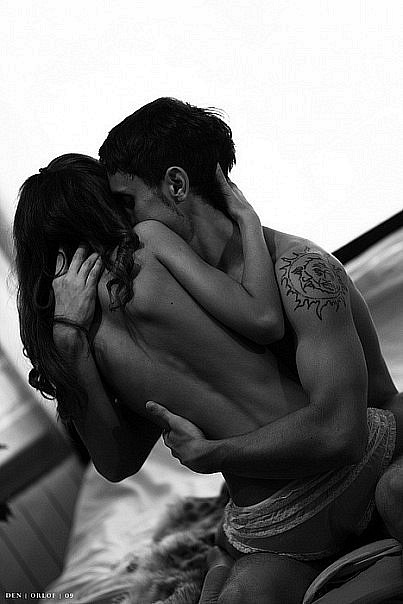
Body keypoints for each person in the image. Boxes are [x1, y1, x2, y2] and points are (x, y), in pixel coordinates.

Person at [13, 98, 403, 603]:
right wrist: (247, 222)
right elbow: (262, 319)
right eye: (118, 206)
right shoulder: (152, 246)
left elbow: (117, 462)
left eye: (127, 201)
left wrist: (69, 342)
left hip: (283, 508)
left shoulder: (297, 266)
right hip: (313, 495)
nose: (126, 218)